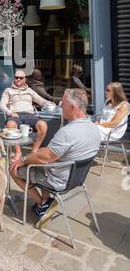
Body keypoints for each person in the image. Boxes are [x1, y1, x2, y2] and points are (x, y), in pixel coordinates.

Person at [10, 89, 101, 229]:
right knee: (39, 157)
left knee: (14, 169)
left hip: (57, 180)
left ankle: (43, 204)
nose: (60, 106)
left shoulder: (67, 132)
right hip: (76, 178)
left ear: (72, 107)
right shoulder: (94, 128)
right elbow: (48, 154)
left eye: (62, 103)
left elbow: (43, 158)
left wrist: (22, 159)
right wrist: (39, 154)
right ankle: (46, 201)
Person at [0, 69, 55, 160]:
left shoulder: (29, 91)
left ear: (24, 79)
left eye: (21, 78)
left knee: (43, 125)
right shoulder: (8, 90)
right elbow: (2, 105)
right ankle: (18, 152)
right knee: (11, 125)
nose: (18, 79)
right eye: (16, 77)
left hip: (29, 115)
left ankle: (34, 151)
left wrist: (49, 103)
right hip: (15, 115)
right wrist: (10, 113)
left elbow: (40, 100)